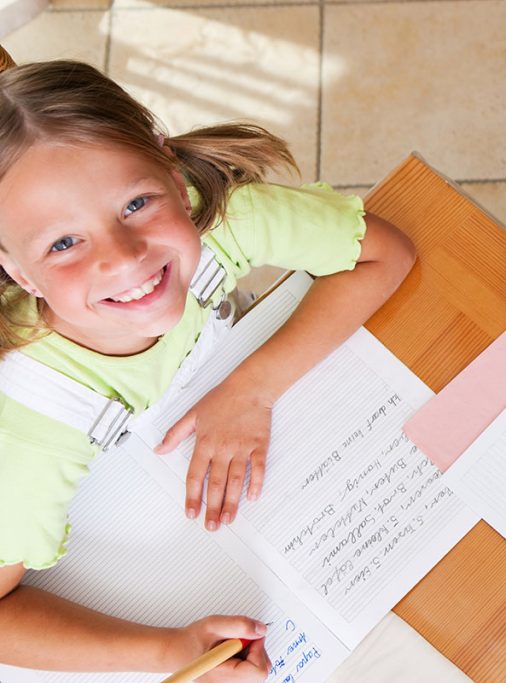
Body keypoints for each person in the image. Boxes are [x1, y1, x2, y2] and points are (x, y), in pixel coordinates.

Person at [0, 59, 416, 677]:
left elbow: (387, 253)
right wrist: (168, 650)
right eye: (63, 243)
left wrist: (251, 388)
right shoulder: (33, 438)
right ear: (17, 274)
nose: (126, 259)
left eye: (136, 203)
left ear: (171, 171)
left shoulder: (216, 216)